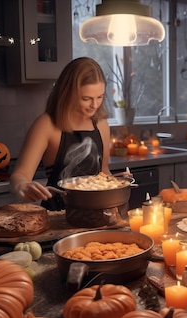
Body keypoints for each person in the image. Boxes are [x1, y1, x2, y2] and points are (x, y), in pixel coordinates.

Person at [10, 57, 113, 210]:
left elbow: (103, 172)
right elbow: (19, 175)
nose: (95, 105)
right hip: (57, 216)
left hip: (97, 212)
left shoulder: (101, 125)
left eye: (100, 97)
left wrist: (115, 183)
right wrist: (22, 186)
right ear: (69, 93)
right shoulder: (46, 125)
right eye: (86, 98)